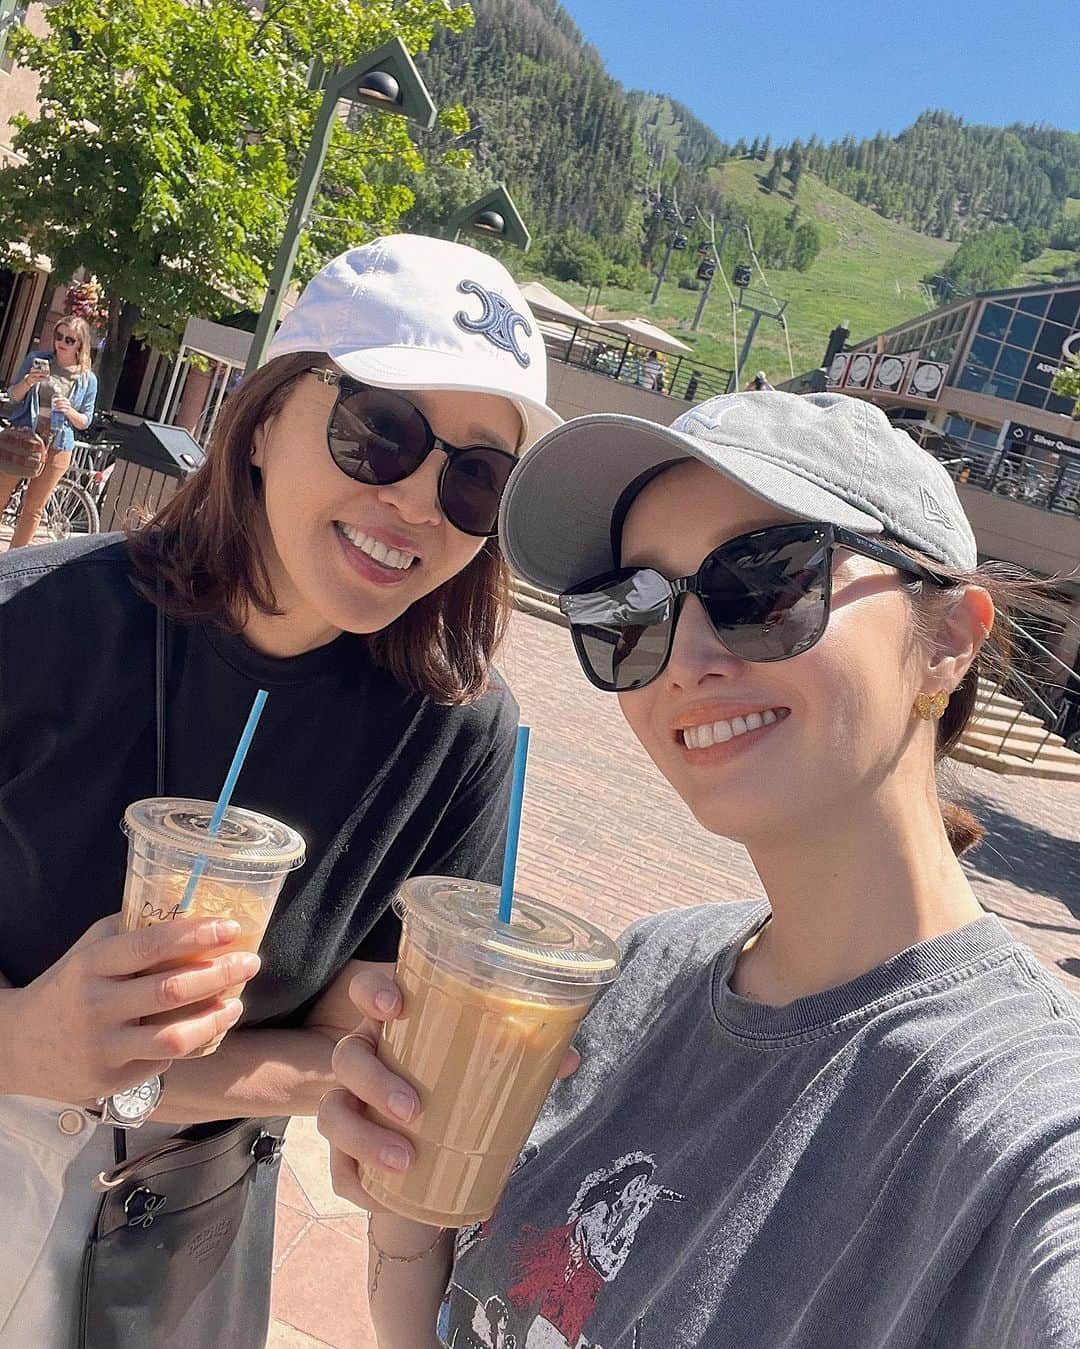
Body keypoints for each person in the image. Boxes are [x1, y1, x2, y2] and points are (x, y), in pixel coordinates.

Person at [322, 392, 1080, 1348]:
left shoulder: (1026, 1127)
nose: (681, 659)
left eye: (763, 584)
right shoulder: (641, 975)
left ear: (948, 642)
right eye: (627, 612)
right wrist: (409, 1212)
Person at [0, 233, 559, 1347]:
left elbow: (369, 1047)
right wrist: (23, 1042)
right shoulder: (35, 619)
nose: (415, 499)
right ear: (261, 422)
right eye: (379, 429)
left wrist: (155, 1082)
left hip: (187, 1224)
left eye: (475, 477)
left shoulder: (461, 736)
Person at [0, 315, 98, 547]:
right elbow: (13, 396)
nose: (61, 342)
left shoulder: (87, 379)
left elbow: (85, 420)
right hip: (24, 438)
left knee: (33, 509)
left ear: (80, 345)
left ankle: (11, 564)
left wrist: (68, 411)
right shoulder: (37, 359)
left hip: (58, 445)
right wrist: (28, 382)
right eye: (58, 336)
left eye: (69, 339)